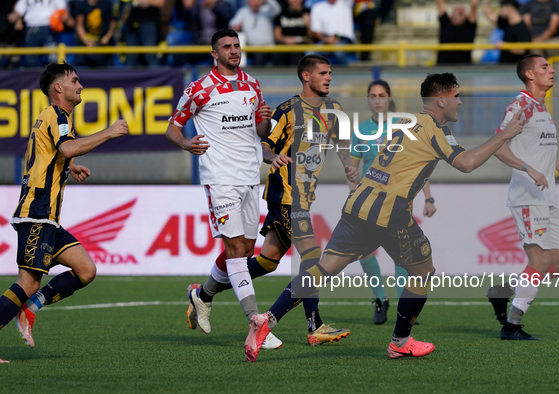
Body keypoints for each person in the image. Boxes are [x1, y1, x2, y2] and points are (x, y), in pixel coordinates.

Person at [245, 72, 529, 361]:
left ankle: (267, 319)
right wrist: (504, 136)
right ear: (441, 100)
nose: (460, 101)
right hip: (389, 212)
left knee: (322, 269)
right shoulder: (436, 130)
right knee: (422, 271)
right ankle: (400, 341)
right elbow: (466, 163)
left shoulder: (406, 122)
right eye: (456, 96)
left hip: (358, 205)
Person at [185, 54, 358, 360]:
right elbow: (264, 143)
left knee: (268, 261)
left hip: (304, 197)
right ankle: (312, 325)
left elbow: (341, 141)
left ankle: (203, 293)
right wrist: (272, 157)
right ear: (306, 76)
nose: (329, 78)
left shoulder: (334, 109)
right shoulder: (288, 110)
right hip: (285, 194)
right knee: (314, 260)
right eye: (323, 73)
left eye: (330, 73)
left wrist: (348, 166)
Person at [0, 62, 128, 360]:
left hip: (49, 217)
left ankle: (31, 308)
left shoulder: (56, 118)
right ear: (58, 87)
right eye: (74, 80)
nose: (80, 85)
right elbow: (67, 148)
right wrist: (109, 132)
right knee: (28, 281)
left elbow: (55, 153)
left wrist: (69, 167)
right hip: (37, 211)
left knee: (86, 270)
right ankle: (26, 306)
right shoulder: (57, 115)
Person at [165, 29, 273, 361]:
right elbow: (172, 126)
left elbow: (259, 131)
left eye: (237, 46)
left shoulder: (252, 84)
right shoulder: (199, 89)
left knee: (244, 251)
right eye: (226, 47)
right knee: (235, 250)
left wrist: (266, 124)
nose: (233, 51)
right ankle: (256, 323)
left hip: (250, 177)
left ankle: (202, 295)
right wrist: (186, 144)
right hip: (219, 178)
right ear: (215, 53)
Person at [486, 54, 559, 340]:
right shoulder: (520, 105)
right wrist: (528, 168)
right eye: (545, 67)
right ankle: (512, 325)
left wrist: (557, 163)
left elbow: (535, 143)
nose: (552, 70)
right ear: (529, 75)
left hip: (548, 197)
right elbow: (498, 146)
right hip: (527, 196)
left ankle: (505, 289)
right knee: (539, 259)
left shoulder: (541, 107)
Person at [350, 79, 437, 325]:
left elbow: (418, 168)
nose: (377, 100)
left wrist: (428, 198)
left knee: (402, 257)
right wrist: (352, 190)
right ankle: (380, 299)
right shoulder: (360, 131)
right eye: (373, 96)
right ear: (368, 99)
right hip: (368, 201)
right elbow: (352, 169)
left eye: (381, 95)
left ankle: (404, 308)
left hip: (399, 201)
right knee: (365, 253)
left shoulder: (404, 127)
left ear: (389, 98)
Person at [229, 0, 281, 65]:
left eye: (257, 1)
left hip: (269, 47)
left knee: (280, 55)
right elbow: (232, 24)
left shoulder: (266, 11)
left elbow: (278, 9)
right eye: (253, 1)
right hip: (251, 48)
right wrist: (236, 26)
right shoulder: (243, 12)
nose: (255, 3)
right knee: (258, 56)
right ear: (248, 2)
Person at [309, 0, 355, 65]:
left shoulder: (345, 2)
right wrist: (326, 39)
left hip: (344, 39)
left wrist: (335, 38)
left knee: (339, 52)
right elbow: (316, 31)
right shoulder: (317, 7)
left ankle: (345, 74)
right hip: (326, 40)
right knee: (310, 53)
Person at [75, 0, 117, 67]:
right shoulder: (82, 5)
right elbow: (79, 25)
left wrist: (107, 37)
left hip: (103, 42)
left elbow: (113, 23)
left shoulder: (106, 3)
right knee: (81, 62)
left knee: (103, 64)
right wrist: (86, 41)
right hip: (86, 40)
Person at [436, 0, 478, 64]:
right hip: (443, 67)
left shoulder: (469, 27)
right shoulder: (445, 23)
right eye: (457, 9)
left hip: (464, 68)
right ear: (451, 15)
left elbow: (474, 6)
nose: (460, 10)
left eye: (463, 10)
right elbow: (441, 2)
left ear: (467, 16)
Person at [273, 0, 311, 66]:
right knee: (279, 50)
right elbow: (278, 36)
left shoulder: (308, 13)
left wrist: (308, 24)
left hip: (302, 44)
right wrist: (286, 40)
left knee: (295, 51)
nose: (295, 1)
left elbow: (312, 38)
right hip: (285, 43)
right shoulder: (282, 13)